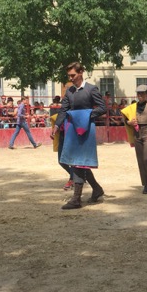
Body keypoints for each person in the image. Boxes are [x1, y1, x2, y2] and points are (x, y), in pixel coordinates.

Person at [52, 62, 107, 209]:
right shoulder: (69, 91)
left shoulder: (91, 89)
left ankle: (76, 198)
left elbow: (102, 108)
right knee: (78, 162)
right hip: (71, 130)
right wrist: (56, 126)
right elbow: (63, 110)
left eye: (73, 75)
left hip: (86, 130)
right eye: (69, 76)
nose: (71, 78)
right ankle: (96, 189)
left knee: (78, 162)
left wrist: (87, 115)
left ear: (81, 72)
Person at [122, 84, 147, 194]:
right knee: (140, 160)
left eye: (142, 93)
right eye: (138, 93)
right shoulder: (133, 107)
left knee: (146, 159)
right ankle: (146, 184)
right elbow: (125, 120)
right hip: (136, 134)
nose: (140, 95)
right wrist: (128, 122)